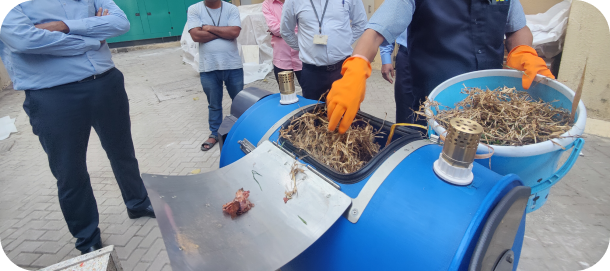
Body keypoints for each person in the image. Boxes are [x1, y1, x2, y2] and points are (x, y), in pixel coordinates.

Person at [0, 1, 155, 255]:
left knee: (122, 152)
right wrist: (93, 37)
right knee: (70, 170)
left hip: (106, 83)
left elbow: (120, 23)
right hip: (53, 95)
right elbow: (25, 42)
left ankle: (137, 203)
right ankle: (87, 237)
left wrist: (63, 26)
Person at [326, 0, 555, 134]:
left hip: (488, 103)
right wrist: (357, 66)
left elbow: (517, 27)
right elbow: (375, 32)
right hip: (434, 106)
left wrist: (522, 50)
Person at [280, 0, 368, 101]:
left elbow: (361, 24)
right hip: (312, 75)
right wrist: (305, 48)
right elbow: (286, 31)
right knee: (313, 113)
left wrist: (344, 42)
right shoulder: (293, 1)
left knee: (346, 112)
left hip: (343, 70)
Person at [188, 0, 243, 151]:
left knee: (239, 101)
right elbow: (195, 36)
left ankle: (242, 130)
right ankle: (214, 134)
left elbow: (234, 32)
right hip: (208, 67)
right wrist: (223, 32)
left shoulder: (231, 8)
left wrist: (210, 28)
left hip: (233, 66)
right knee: (214, 104)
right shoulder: (194, 9)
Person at [262, 0, 303, 85]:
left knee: (310, 94)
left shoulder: (302, 2)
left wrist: (283, 31)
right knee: (286, 95)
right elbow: (274, 28)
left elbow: (307, 28)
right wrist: (296, 30)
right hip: (282, 59)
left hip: (303, 58)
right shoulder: (267, 4)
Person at [379, 30, 414, 124]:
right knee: (404, 106)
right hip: (406, 54)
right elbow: (391, 26)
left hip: (438, 56)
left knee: (433, 104)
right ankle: (404, 136)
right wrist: (386, 57)